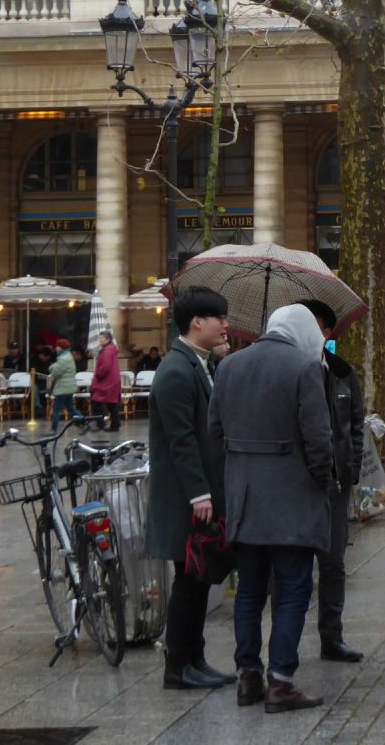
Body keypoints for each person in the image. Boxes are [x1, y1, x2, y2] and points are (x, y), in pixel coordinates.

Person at [211, 303, 333, 713]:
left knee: (249, 590)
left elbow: (215, 428)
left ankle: (248, 675)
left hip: (244, 496)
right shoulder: (304, 368)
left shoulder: (228, 366)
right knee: (293, 589)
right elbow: (318, 438)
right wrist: (319, 480)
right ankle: (281, 680)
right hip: (292, 499)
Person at [147, 286, 235, 692]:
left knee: (197, 580)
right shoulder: (177, 370)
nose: (225, 324)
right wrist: (200, 494)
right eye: (219, 317)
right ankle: (178, 665)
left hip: (197, 495)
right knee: (187, 582)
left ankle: (194, 658)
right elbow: (182, 439)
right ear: (197, 322)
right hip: (185, 498)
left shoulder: (199, 363)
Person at [297, 299, 366, 665]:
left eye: (317, 327)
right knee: (292, 567)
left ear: (326, 333)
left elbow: (356, 422)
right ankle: (287, 639)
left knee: (333, 564)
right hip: (297, 486)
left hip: (336, 484)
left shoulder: (342, 372)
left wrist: (352, 467)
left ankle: (332, 636)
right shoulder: (287, 371)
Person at [90, 330, 122, 431]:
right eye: (99, 337)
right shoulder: (110, 349)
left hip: (106, 380)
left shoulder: (107, 350)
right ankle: (115, 424)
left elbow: (106, 365)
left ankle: (100, 423)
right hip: (111, 379)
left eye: (102, 338)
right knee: (111, 403)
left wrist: (99, 375)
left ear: (107, 339)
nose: (100, 339)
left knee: (96, 400)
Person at [48, 345, 81, 429]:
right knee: (70, 407)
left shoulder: (63, 359)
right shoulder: (69, 357)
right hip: (69, 387)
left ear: (62, 348)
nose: (56, 349)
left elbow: (55, 372)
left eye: (58, 347)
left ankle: (53, 429)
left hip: (63, 387)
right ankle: (83, 420)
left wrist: (51, 367)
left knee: (56, 409)